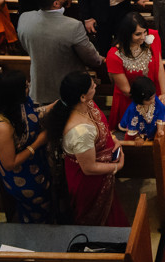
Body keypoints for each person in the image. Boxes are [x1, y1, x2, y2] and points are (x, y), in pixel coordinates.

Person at [46, 70, 127, 226]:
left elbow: (101, 128)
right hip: (90, 183)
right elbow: (89, 168)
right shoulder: (79, 131)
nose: (95, 85)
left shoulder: (85, 103)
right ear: (82, 96)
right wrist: (117, 166)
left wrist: (114, 140)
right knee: (99, 221)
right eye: (91, 86)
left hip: (102, 172)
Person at [16, 0, 103, 104]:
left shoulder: (24, 18)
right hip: (67, 91)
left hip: (39, 90)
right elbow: (92, 58)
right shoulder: (73, 26)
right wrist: (100, 59)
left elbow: (26, 46)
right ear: (56, 3)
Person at [0, 69, 57, 224]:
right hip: (23, 176)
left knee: (47, 206)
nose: (29, 88)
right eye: (25, 86)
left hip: (37, 164)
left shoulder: (21, 103)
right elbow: (9, 163)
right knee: (36, 214)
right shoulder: (2, 126)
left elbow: (34, 114)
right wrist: (38, 142)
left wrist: (56, 105)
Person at [106, 13, 165, 128]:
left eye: (145, 32)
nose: (143, 37)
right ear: (126, 35)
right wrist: (149, 105)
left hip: (154, 94)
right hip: (132, 102)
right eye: (138, 34)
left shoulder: (153, 37)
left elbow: (159, 67)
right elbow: (126, 90)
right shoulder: (114, 56)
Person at [118, 74, 165, 140]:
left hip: (153, 129)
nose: (152, 100)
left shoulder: (154, 99)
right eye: (149, 99)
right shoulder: (133, 108)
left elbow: (161, 112)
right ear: (139, 99)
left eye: (153, 97)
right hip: (138, 133)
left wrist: (159, 129)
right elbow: (132, 124)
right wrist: (138, 137)